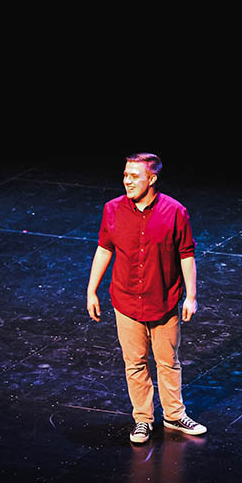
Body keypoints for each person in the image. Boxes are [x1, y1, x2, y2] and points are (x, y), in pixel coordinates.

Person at [86, 153, 207, 443]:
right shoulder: (112, 209)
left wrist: (191, 295)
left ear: (152, 179)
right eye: (125, 175)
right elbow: (105, 248)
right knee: (135, 362)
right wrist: (91, 289)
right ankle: (142, 418)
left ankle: (175, 415)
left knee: (168, 361)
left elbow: (186, 254)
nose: (127, 181)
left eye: (134, 176)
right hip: (126, 301)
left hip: (164, 302)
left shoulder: (175, 211)